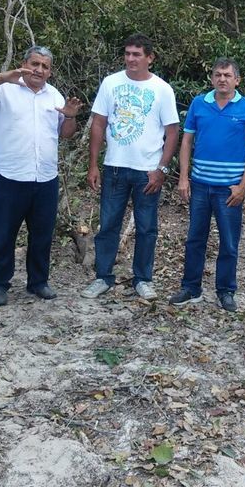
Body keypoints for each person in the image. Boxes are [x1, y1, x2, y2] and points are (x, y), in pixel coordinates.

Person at [0, 45, 81, 306]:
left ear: (50, 72)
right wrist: (2, 77)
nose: (39, 70)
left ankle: (38, 282)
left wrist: (71, 118)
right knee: (4, 233)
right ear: (24, 64)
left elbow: (66, 134)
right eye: (34, 63)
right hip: (10, 177)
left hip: (45, 178)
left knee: (42, 234)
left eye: (45, 66)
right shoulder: (4, 90)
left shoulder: (55, 96)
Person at [83, 34, 179, 300]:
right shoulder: (111, 83)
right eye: (127, 54)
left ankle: (143, 279)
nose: (131, 59)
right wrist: (93, 165)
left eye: (137, 54)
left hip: (147, 171)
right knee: (108, 224)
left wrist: (162, 169)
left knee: (147, 227)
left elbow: (172, 132)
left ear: (150, 58)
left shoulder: (162, 89)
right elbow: (99, 123)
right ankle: (103, 277)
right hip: (114, 167)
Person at [169, 58, 245, 312]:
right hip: (200, 185)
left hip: (230, 189)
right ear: (212, 78)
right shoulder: (200, 103)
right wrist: (183, 177)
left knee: (229, 242)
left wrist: (243, 185)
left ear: (237, 80)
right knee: (195, 238)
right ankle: (191, 288)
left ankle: (225, 291)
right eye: (218, 75)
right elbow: (186, 142)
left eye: (227, 75)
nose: (222, 79)